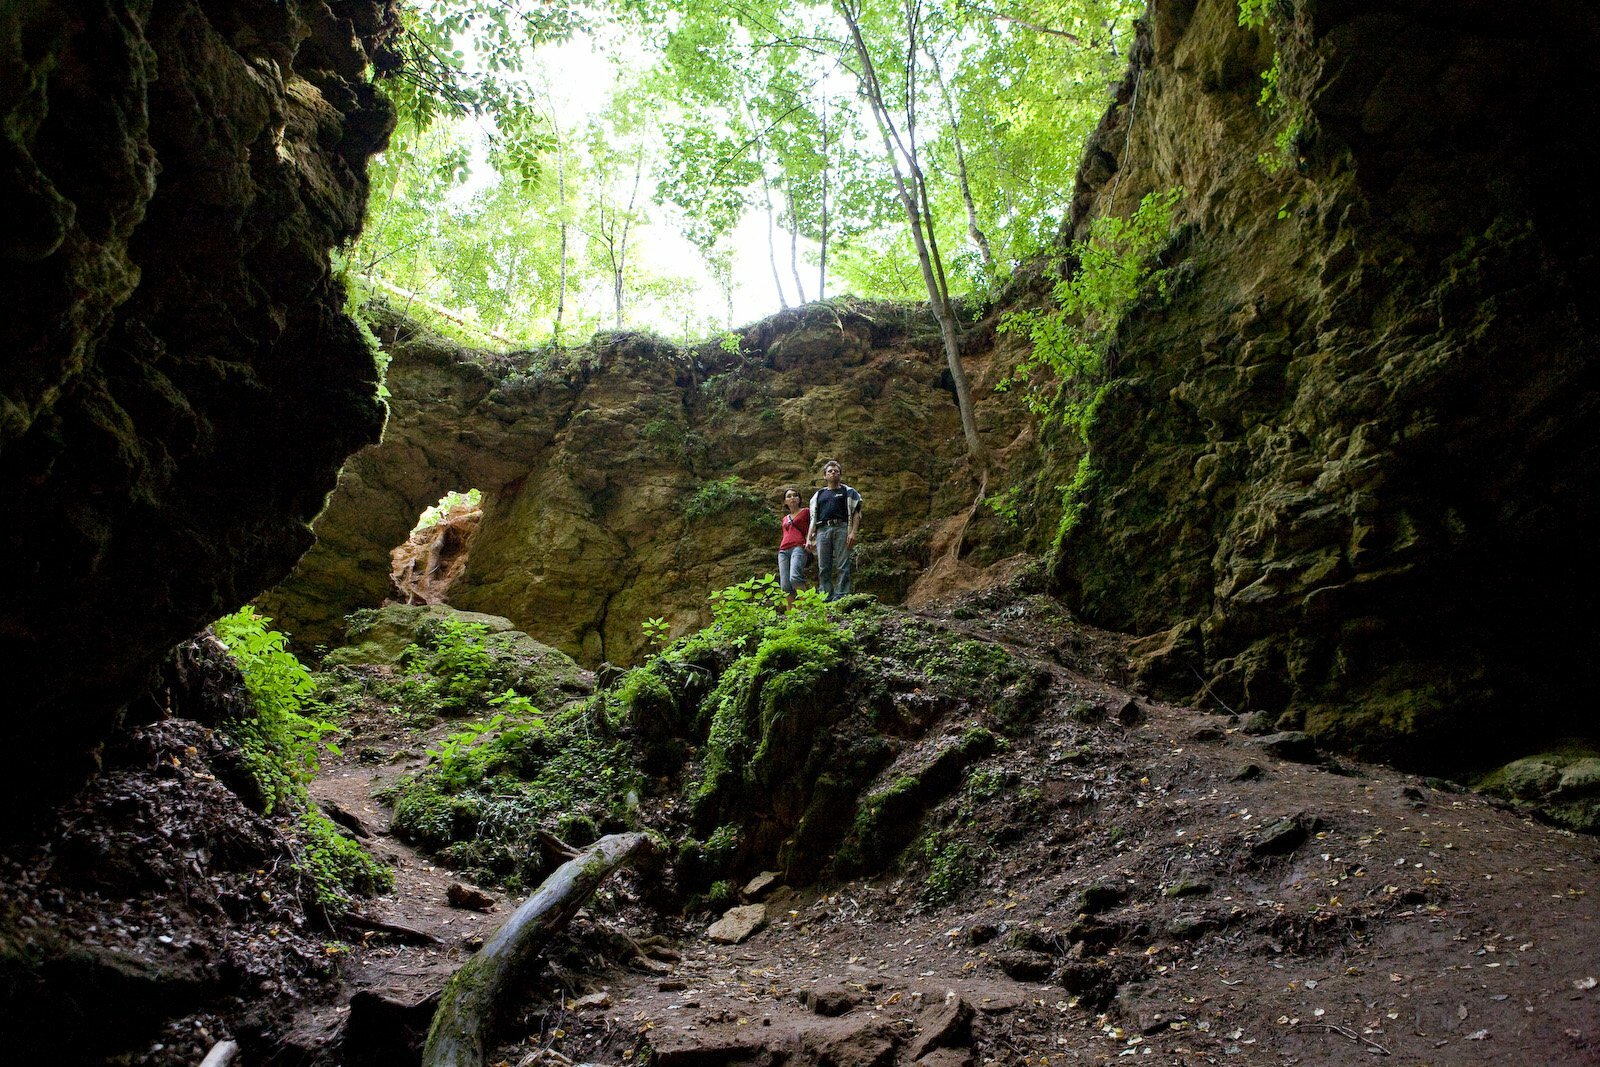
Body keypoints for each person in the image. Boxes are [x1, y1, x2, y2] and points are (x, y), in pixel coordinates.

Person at [804, 459, 863, 601]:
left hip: (842, 528)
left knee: (843, 563)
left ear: (840, 475)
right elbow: (813, 518)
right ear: (824, 476)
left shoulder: (848, 492)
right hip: (822, 530)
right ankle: (825, 596)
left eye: (836, 471)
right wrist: (809, 538)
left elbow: (857, 513)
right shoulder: (818, 495)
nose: (833, 473)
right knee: (823, 566)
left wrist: (853, 532)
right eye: (830, 471)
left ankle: (842, 595)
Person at [776, 487, 810, 603]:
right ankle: (791, 615)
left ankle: (808, 608)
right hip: (783, 550)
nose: (792, 498)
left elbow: (813, 527)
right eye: (789, 496)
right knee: (785, 586)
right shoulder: (785, 518)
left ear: (799, 499)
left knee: (795, 578)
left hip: (799, 547)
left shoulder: (806, 511)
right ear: (785, 502)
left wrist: (811, 540)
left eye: (795, 495)